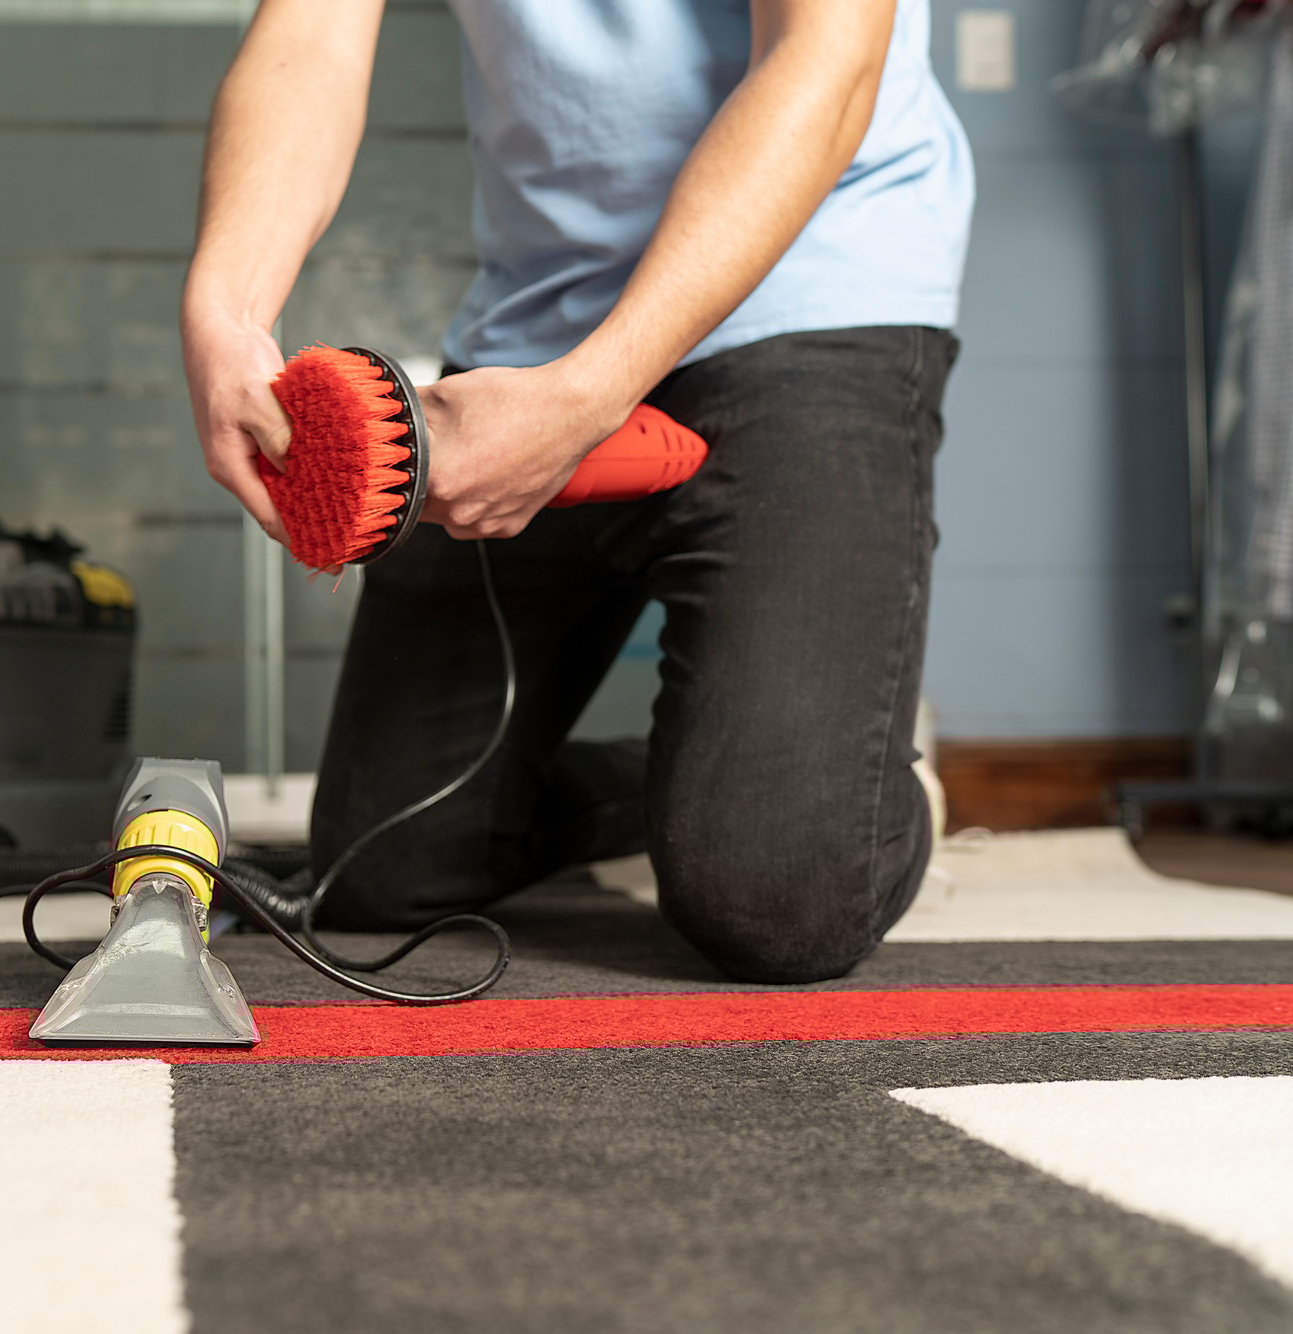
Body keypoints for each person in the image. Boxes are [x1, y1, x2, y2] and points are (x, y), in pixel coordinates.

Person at [180, 0, 973, 984]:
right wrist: (224, 308)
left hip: (809, 293)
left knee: (775, 891)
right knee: (379, 868)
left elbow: (828, 57)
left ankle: (842, 785)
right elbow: (310, 38)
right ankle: (733, 771)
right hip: (533, 326)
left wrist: (592, 393)